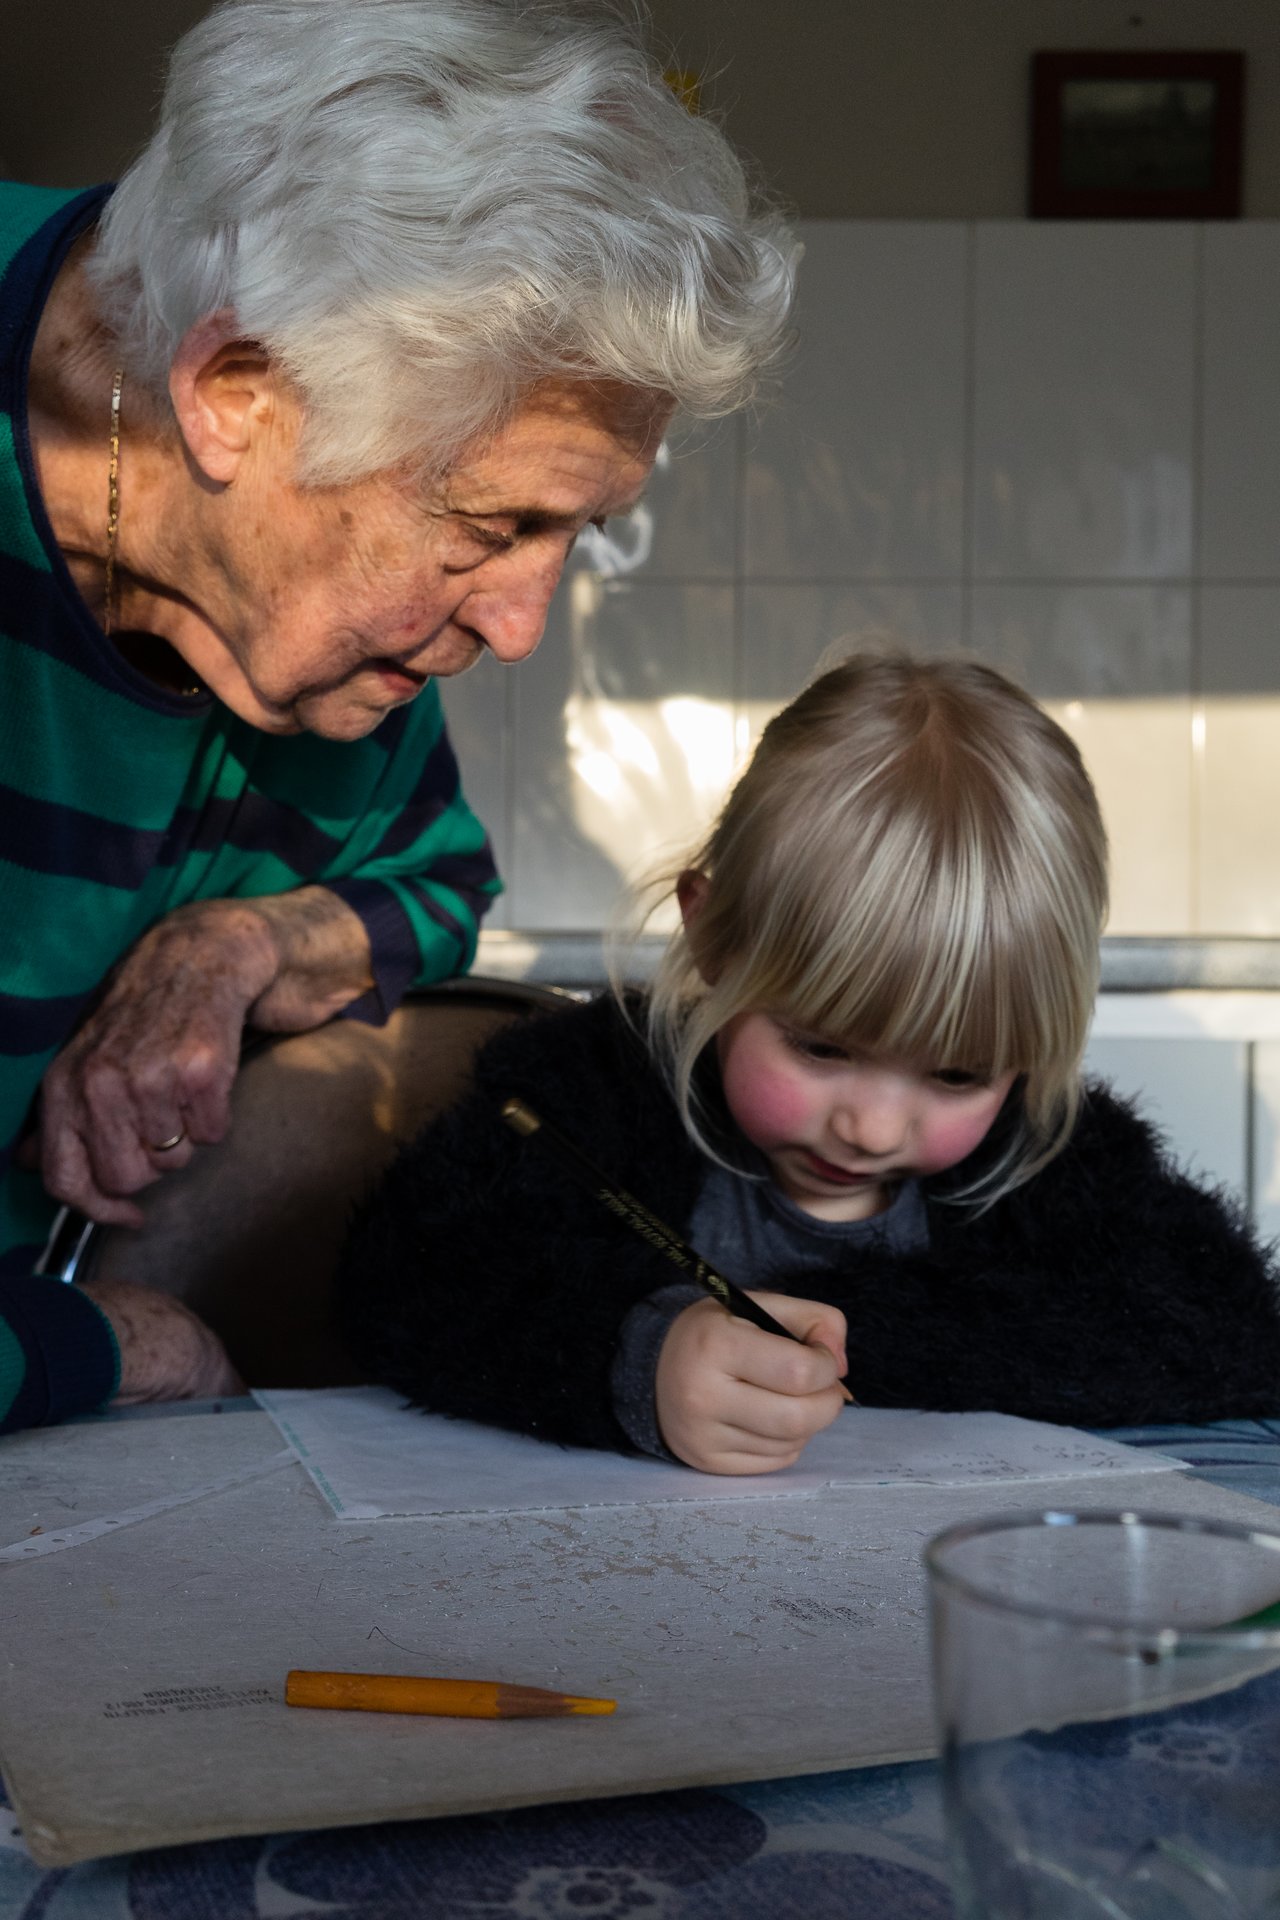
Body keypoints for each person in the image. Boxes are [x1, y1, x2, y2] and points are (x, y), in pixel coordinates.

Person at [0, 0, 796, 1434]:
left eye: (574, 532)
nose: (518, 624)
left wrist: (237, 943)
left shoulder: (302, 644)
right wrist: (103, 1351)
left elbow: (435, 881)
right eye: (493, 525)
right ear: (234, 395)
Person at [336, 652, 1280, 1473]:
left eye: (957, 1076)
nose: (871, 1127)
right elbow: (402, 1281)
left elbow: (1228, 1333)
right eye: (820, 1047)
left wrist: (851, 1334)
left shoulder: (1052, 1161)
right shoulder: (591, 1094)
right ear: (711, 938)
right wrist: (637, 1359)